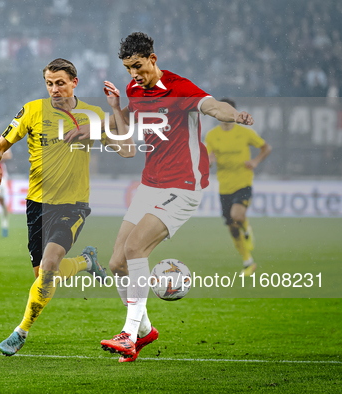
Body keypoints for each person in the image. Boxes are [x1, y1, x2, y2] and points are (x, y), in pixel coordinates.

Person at [100, 32, 255, 363]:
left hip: (182, 186)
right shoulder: (133, 89)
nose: (134, 75)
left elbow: (212, 106)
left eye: (138, 67)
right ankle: (144, 333)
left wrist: (235, 115)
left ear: (153, 59)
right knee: (116, 264)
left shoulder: (180, 88)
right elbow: (129, 119)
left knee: (134, 248)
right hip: (150, 184)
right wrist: (116, 108)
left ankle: (127, 334)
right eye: (128, 69)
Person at [0, 58, 135, 356]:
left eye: (60, 83)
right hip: (37, 206)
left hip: (72, 205)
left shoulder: (91, 115)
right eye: (49, 83)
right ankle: (86, 262)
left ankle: (20, 331)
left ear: (74, 82)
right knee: (43, 276)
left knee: (50, 265)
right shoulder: (32, 110)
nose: (54, 89)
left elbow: (128, 150)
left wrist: (116, 110)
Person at [205, 98, 272, 276]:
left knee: (237, 215)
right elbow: (208, 158)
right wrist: (209, 162)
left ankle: (246, 225)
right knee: (232, 227)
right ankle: (248, 262)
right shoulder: (212, 135)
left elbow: (266, 147)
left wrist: (255, 161)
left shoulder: (244, 132)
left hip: (243, 181)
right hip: (224, 186)